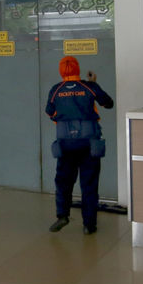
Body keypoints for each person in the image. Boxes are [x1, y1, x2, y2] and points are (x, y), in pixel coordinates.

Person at [44, 56, 114, 235]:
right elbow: (108, 103)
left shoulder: (55, 90)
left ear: (61, 71)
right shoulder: (89, 87)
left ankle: (62, 215)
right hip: (89, 143)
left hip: (66, 144)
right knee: (89, 183)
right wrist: (93, 84)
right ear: (78, 69)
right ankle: (88, 225)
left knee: (63, 181)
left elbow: (50, 112)